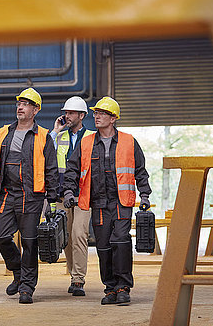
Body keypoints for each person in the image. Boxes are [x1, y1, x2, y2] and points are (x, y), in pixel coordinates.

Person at [62, 96, 151, 306]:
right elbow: (73, 169)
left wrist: (145, 195)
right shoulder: (86, 142)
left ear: (113, 119)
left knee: (120, 241)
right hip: (98, 203)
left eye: (102, 113)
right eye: (96, 113)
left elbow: (140, 171)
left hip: (121, 202)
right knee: (103, 247)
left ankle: (123, 286)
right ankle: (110, 288)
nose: (97, 116)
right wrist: (68, 191)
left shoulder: (129, 141)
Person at [0, 87, 59, 304]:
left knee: (30, 242)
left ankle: (27, 288)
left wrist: (51, 199)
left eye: (25, 104)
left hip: (32, 197)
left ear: (36, 110)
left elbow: (51, 168)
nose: (20, 107)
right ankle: (17, 271)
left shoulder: (43, 136)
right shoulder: (3, 132)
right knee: (1, 236)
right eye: (19, 104)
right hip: (7, 194)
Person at [50, 96, 93, 297]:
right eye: (65, 112)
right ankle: (73, 273)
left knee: (79, 235)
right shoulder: (59, 136)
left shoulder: (92, 137)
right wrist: (55, 130)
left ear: (82, 115)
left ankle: (78, 280)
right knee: (65, 238)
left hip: (83, 194)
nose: (67, 116)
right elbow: (45, 153)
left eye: (71, 113)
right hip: (61, 195)